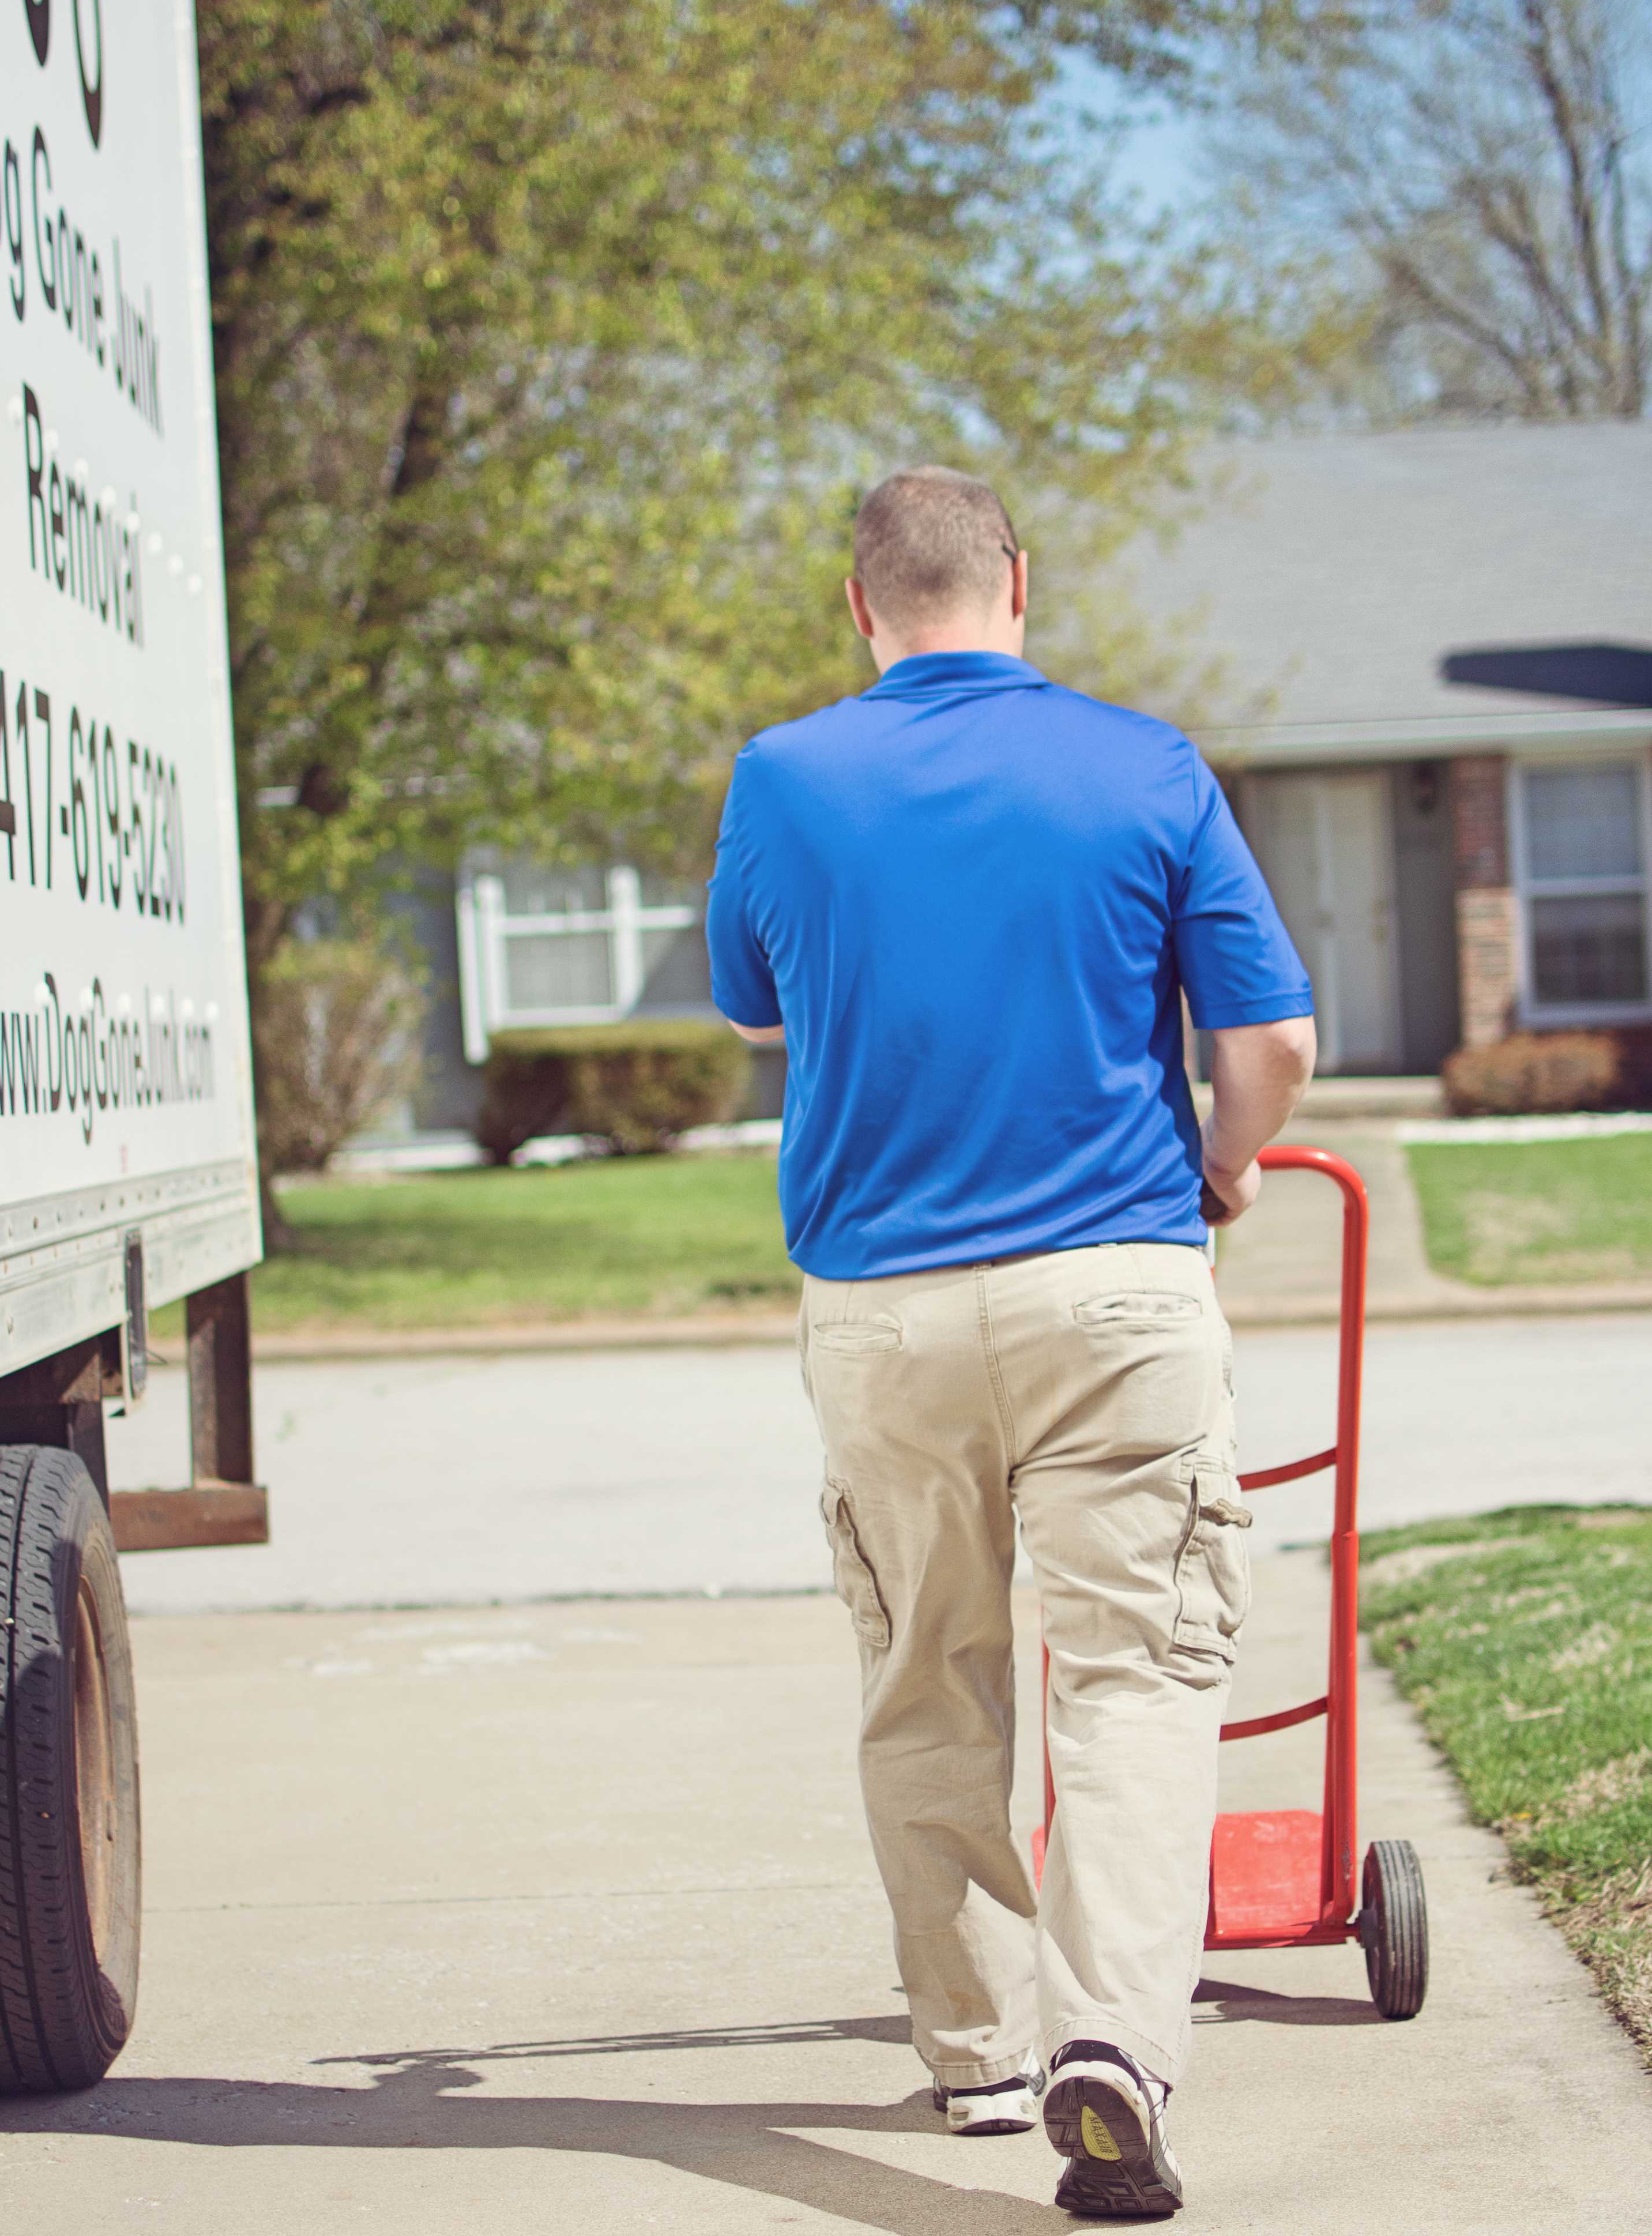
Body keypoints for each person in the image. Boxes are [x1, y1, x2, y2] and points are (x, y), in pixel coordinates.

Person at [705, 466, 1315, 2220]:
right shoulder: (1145, 766)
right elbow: (1268, 1033)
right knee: (1135, 1679)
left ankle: (977, 2060)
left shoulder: (786, 776)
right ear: (1020, 584)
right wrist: (1227, 1155)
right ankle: (1110, 2045)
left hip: (882, 1310)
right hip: (1117, 1290)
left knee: (929, 1678)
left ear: (860, 606)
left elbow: (757, 1001)